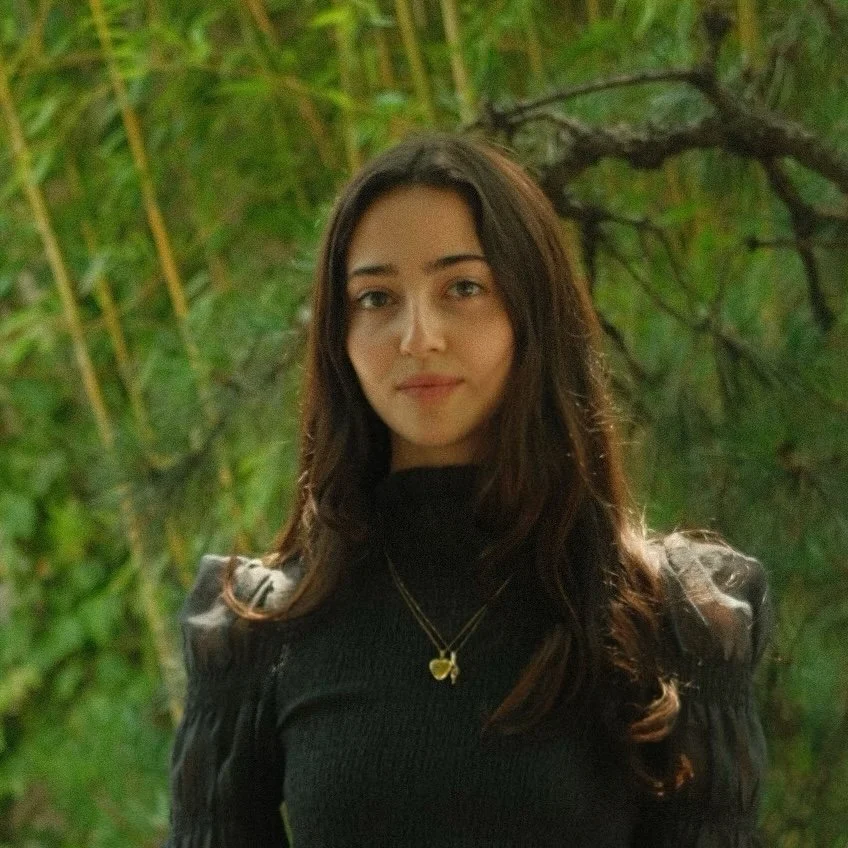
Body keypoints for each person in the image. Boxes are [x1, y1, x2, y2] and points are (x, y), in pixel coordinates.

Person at [164, 133, 772, 847]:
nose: (417, 336)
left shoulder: (667, 616)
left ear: (532, 310)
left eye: (463, 288)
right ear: (339, 333)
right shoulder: (260, 633)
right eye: (376, 298)